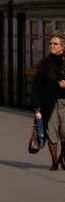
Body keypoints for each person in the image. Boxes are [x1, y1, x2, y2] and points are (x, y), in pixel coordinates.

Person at [31, 32, 65, 169]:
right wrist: (36, 104)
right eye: (51, 44)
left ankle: (62, 156)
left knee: (64, 131)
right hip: (48, 103)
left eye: (55, 44)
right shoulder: (45, 63)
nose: (52, 46)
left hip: (64, 101)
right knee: (51, 131)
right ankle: (54, 162)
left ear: (63, 47)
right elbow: (37, 85)